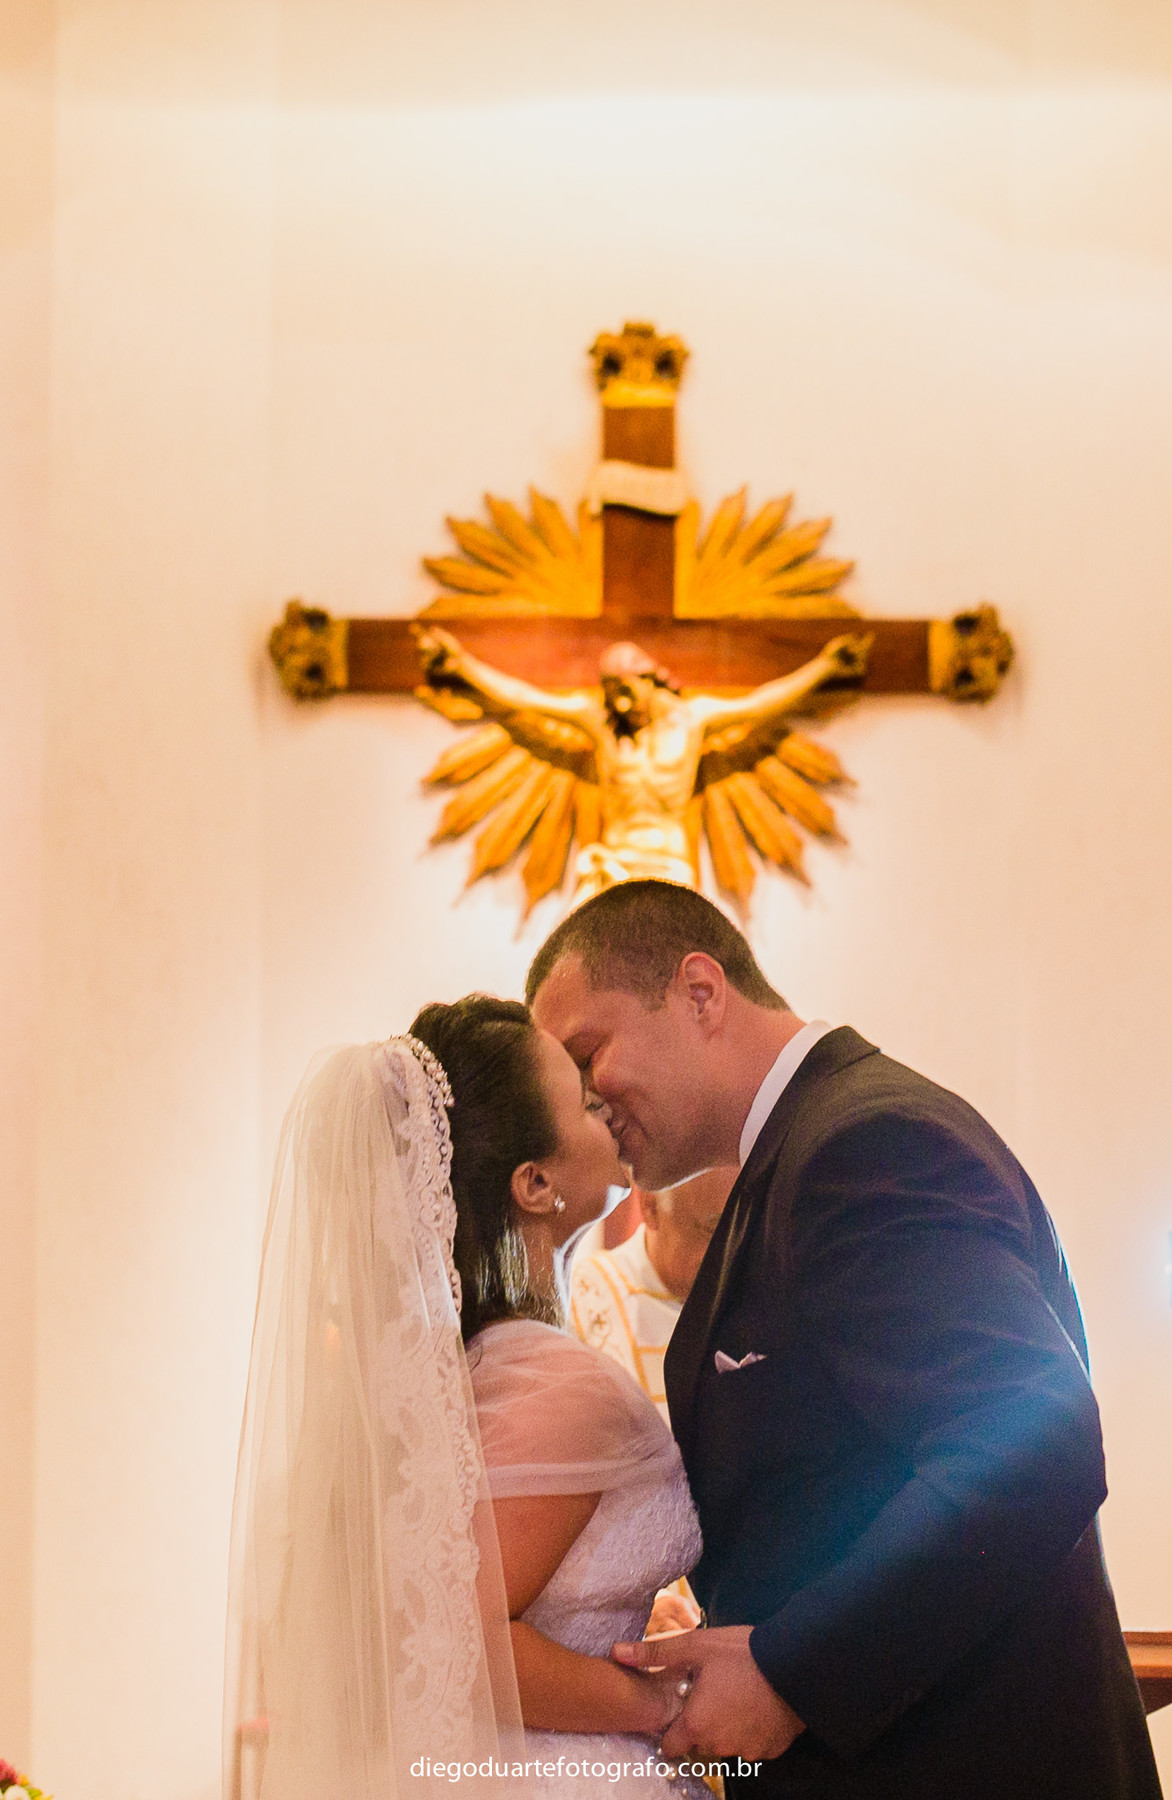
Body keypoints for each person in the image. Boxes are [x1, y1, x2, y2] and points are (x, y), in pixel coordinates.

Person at [526, 880, 1162, 1800]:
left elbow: (1034, 1449)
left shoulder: (867, 1144)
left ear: (701, 991)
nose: (587, 1100)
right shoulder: (787, 1164)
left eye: (590, 1052)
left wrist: (790, 1674)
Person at [226, 996, 712, 1799]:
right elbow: (463, 1642)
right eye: (587, 1108)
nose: (609, 1117)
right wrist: (663, 1704)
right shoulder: (560, 1386)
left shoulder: (462, 1373)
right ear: (534, 1182)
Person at [571, 1169, 735, 1423]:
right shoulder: (579, 1305)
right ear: (650, 1207)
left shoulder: (765, 1295)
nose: (732, 1252)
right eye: (712, 1229)